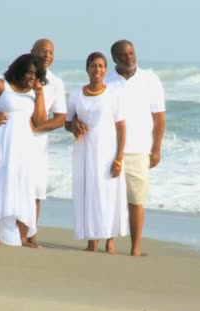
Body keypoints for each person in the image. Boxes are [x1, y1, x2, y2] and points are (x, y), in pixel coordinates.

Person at [72, 40, 165, 256]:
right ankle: (100, 243)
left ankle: (135, 248)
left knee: (136, 199)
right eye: (123, 54)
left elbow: (159, 118)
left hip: (139, 148)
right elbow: (87, 107)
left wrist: (156, 149)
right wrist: (75, 123)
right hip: (106, 151)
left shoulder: (150, 79)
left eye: (131, 52)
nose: (129, 57)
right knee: (105, 197)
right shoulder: (107, 80)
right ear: (114, 58)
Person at [0, 39, 67, 247]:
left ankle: (29, 235)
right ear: (32, 52)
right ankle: (1, 234)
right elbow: (1, 104)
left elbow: (60, 118)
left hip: (38, 144)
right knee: (7, 183)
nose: (46, 55)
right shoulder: (22, 75)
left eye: (50, 52)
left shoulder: (56, 82)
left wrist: (38, 128)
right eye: (42, 51)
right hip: (10, 139)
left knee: (35, 189)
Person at [0, 53, 47, 247]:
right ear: (19, 70)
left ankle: (23, 238)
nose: (32, 77)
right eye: (29, 73)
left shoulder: (34, 93)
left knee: (23, 187)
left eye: (36, 74)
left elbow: (40, 121)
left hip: (23, 147)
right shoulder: (0, 86)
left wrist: (40, 93)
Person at [65, 52, 128, 254]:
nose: (97, 70)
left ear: (106, 70)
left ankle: (109, 240)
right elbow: (66, 122)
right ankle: (92, 241)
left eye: (101, 66)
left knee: (109, 193)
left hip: (108, 151)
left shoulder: (113, 94)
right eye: (93, 66)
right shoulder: (75, 94)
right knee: (88, 192)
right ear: (87, 69)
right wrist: (74, 124)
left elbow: (121, 128)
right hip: (84, 151)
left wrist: (119, 157)